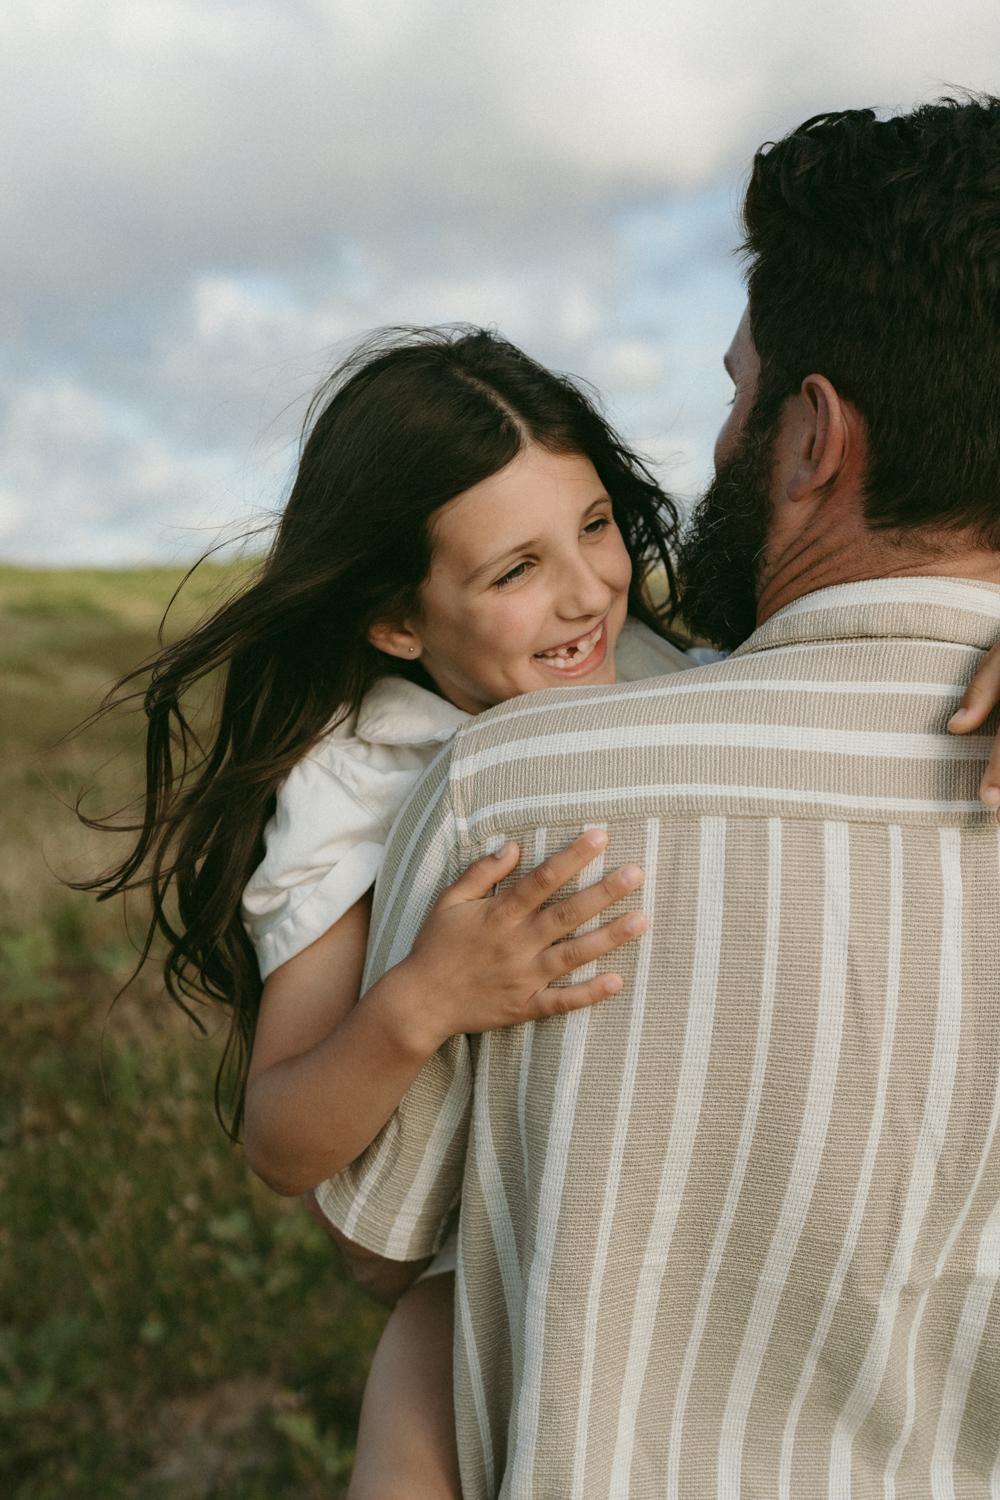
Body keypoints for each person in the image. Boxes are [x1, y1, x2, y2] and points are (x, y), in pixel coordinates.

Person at [315, 97, 1000, 1497]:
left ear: (815, 436)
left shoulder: (511, 785)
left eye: (741, 392)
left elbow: (380, 1243)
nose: (722, 435)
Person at [83, 326, 721, 1496]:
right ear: (396, 622)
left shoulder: (661, 667)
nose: (588, 588)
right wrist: (425, 998)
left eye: (593, 525)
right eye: (513, 571)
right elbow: (281, 1137)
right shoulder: (356, 781)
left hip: (691, 1228)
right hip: (471, 1273)